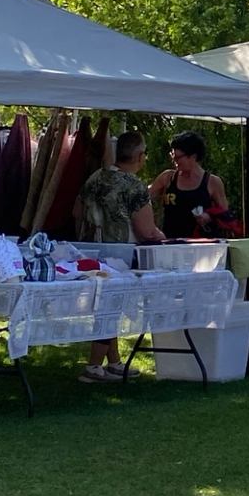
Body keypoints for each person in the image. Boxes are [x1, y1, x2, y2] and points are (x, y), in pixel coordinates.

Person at [76, 130, 164, 381]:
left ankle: (113, 361)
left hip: (91, 252)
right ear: (138, 156)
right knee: (109, 308)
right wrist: (164, 237)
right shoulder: (134, 186)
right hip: (120, 255)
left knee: (106, 306)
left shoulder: (96, 177)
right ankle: (93, 367)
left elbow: (76, 211)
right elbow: (146, 230)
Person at [151, 132, 230, 238]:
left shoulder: (212, 182)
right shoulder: (167, 177)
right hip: (172, 244)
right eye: (173, 156)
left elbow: (225, 213)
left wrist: (208, 216)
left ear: (193, 156)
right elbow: (144, 197)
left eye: (178, 158)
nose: (175, 161)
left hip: (202, 246)